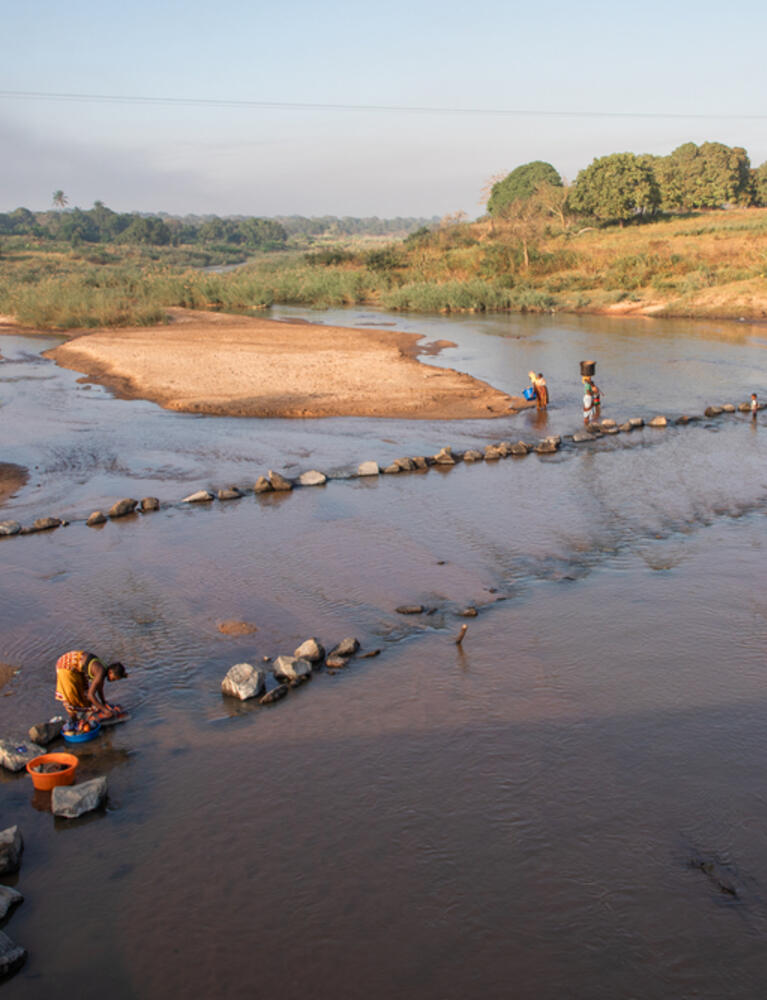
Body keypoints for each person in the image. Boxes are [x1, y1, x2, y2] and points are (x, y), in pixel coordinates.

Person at [55, 650, 128, 730]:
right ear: (110, 672)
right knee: (71, 696)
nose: (113, 680)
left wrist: (103, 702)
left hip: (75, 665)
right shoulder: (100, 672)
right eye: (114, 678)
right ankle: (74, 721)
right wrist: (105, 711)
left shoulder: (103, 668)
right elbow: (91, 695)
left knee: (82, 693)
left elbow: (100, 687)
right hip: (66, 666)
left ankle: (80, 716)